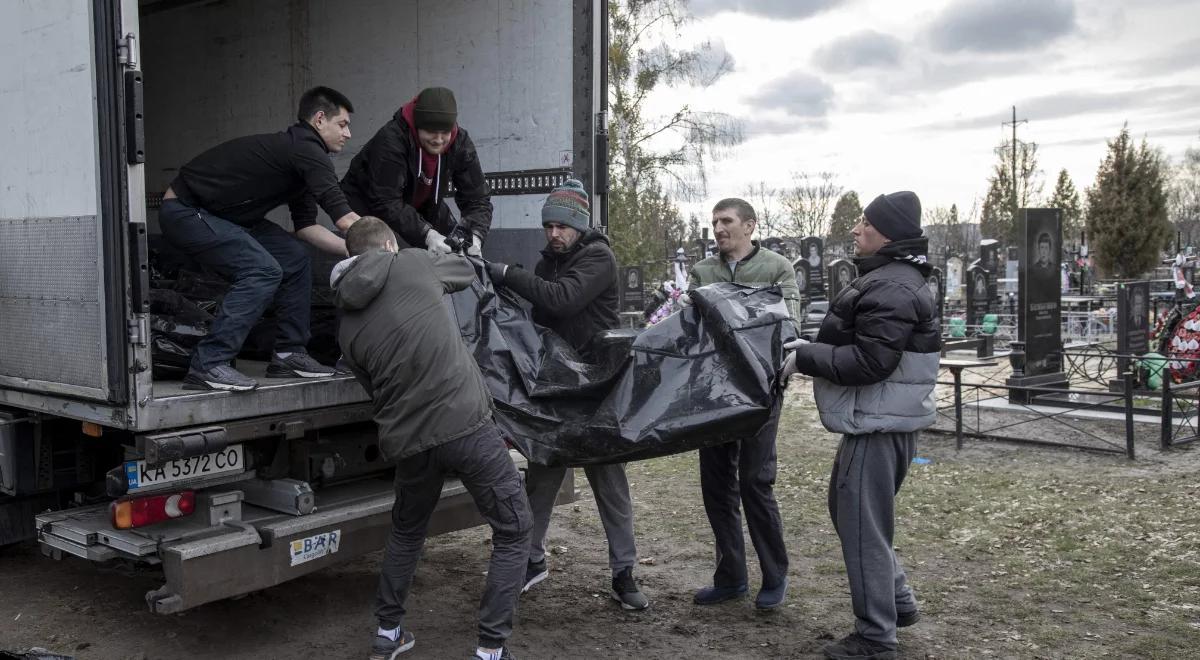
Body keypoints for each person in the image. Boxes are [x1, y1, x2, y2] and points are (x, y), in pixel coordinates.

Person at [333, 217, 531, 660]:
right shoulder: (412, 263)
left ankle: (388, 632)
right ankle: (491, 648)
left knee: (406, 533)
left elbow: (373, 387)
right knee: (514, 529)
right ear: (387, 243)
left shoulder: (345, 327)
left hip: (409, 440)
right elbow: (463, 273)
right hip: (466, 424)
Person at [780, 191, 940, 660]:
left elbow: (872, 362)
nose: (855, 230)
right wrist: (808, 345)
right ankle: (898, 602)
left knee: (861, 523)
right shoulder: (893, 279)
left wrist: (805, 356)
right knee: (851, 513)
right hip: (880, 418)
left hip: (879, 423)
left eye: (865, 223)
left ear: (887, 233)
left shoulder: (892, 286)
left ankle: (875, 636)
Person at [485, 179, 649, 611]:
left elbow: (561, 301)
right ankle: (532, 560)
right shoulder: (548, 263)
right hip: (558, 385)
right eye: (549, 226)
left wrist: (507, 273)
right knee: (541, 474)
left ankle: (624, 572)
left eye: (562, 226)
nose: (554, 234)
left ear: (579, 226)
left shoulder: (598, 256)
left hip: (598, 385)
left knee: (608, 480)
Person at [159, 86, 361, 391]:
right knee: (263, 269)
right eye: (343, 124)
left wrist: (356, 250)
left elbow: (307, 227)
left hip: (226, 216)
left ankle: (289, 353)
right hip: (186, 210)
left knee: (295, 256)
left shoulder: (305, 157)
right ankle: (209, 364)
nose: (348, 134)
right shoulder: (307, 149)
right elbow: (344, 218)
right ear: (320, 119)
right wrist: (384, 248)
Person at [684, 197, 799, 610]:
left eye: (726, 221)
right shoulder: (703, 271)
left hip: (759, 389)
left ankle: (774, 575)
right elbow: (693, 329)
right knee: (716, 487)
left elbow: (789, 325)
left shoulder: (776, 269)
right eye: (714, 222)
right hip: (714, 392)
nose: (718, 229)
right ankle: (731, 577)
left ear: (750, 226)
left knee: (754, 482)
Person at [341, 87, 492, 256]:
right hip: (367, 202)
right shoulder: (391, 140)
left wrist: (475, 238)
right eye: (431, 132)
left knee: (454, 249)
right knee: (377, 260)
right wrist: (428, 235)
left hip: (421, 202)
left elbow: (478, 198)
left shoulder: (460, 142)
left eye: (445, 132)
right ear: (417, 125)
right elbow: (386, 201)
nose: (439, 140)